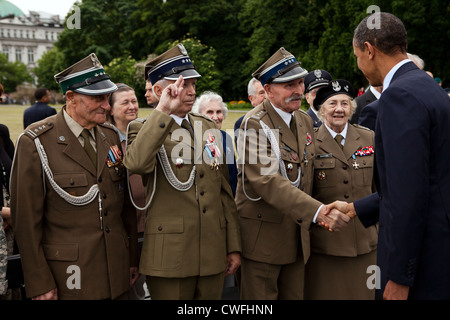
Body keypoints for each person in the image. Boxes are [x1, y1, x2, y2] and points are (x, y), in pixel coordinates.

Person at [328, 12, 450, 300]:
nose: (359, 65)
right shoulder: (427, 87)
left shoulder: (399, 96)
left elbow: (408, 195)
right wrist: (356, 208)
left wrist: (399, 275)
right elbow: (427, 178)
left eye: (357, 55)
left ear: (369, 50)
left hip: (420, 264)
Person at [10, 53, 139, 300]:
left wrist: (131, 258)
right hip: (70, 279)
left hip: (118, 273)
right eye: (98, 98)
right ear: (71, 98)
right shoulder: (36, 142)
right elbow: (26, 222)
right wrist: (39, 282)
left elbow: (124, 208)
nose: (107, 106)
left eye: (107, 97)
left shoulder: (109, 134)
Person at [123, 44, 241, 300]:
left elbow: (224, 192)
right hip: (170, 259)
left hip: (212, 253)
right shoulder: (141, 128)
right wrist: (163, 110)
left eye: (193, 84)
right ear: (158, 91)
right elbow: (136, 163)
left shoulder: (208, 126)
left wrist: (232, 245)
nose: (190, 91)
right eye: (182, 85)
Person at [235, 47, 350, 300]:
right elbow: (268, 181)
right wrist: (320, 212)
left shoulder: (303, 120)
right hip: (263, 244)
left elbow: (313, 173)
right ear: (267, 90)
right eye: (289, 85)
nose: (298, 89)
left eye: (300, 82)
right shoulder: (254, 124)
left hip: (298, 238)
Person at [303, 79, 378, 300]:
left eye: (345, 103)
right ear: (320, 110)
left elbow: (379, 187)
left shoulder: (368, 137)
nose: (339, 109)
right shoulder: (310, 142)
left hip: (366, 243)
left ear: (351, 108)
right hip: (326, 245)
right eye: (332, 103)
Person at [106, 83, 147, 300]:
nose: (132, 106)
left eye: (134, 101)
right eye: (125, 102)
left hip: (151, 227)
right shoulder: (106, 141)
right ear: (110, 109)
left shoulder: (146, 133)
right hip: (126, 232)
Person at [192, 90, 237, 196]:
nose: (216, 117)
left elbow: (233, 176)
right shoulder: (193, 139)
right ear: (199, 115)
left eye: (219, 112)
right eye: (210, 112)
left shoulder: (226, 138)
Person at [234, 77, 266, 147]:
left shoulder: (280, 116)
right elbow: (245, 154)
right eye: (261, 93)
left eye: (268, 91)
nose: (266, 96)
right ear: (251, 98)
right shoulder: (242, 123)